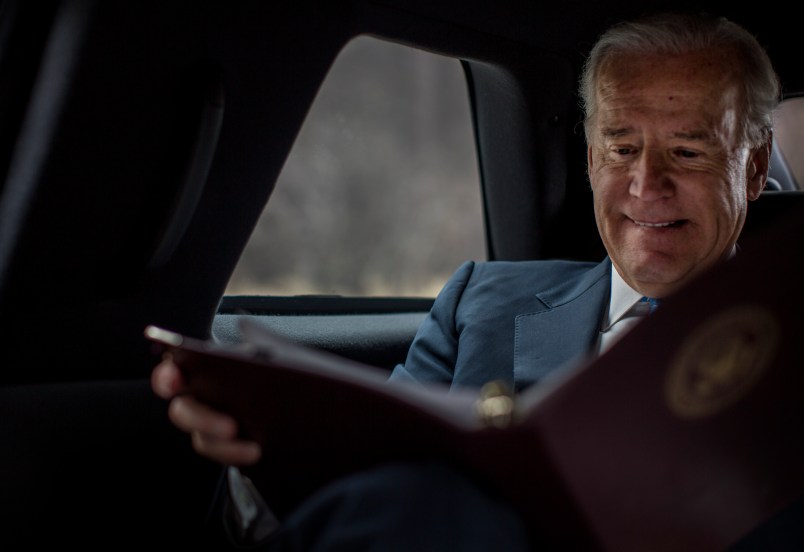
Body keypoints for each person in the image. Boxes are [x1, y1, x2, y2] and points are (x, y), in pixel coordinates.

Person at [152, 10, 792, 550]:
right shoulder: (480, 301)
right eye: (621, 149)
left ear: (755, 166)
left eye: (688, 152)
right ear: (593, 159)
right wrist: (262, 450)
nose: (646, 186)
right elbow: (367, 490)